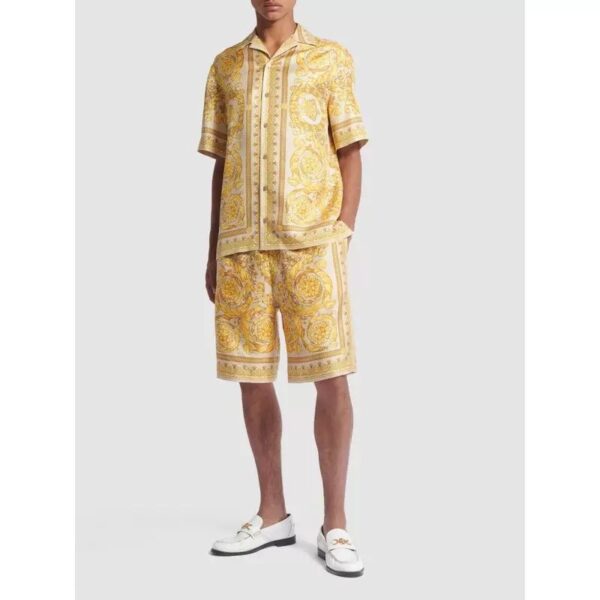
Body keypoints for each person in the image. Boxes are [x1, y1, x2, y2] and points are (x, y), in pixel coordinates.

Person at [198, 0, 368, 578]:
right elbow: (222, 163)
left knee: (331, 376)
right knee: (252, 376)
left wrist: (343, 230)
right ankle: (272, 514)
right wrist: (213, 247)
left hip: (311, 244)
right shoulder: (225, 65)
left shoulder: (330, 58)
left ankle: (335, 523)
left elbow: (350, 150)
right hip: (242, 246)